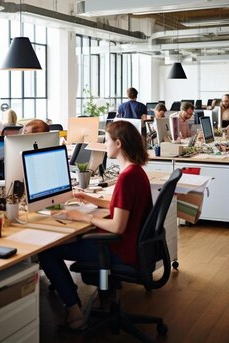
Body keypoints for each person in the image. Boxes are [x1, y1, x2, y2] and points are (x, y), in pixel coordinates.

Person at [38, 121, 152, 329]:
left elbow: (117, 226)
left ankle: (74, 310)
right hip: (133, 246)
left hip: (121, 250)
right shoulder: (135, 171)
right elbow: (121, 206)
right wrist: (91, 200)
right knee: (75, 241)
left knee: (47, 252)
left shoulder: (127, 177)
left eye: (106, 141)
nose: (104, 145)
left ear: (118, 143)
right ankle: (105, 297)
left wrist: (83, 217)